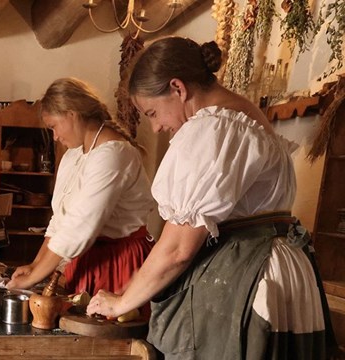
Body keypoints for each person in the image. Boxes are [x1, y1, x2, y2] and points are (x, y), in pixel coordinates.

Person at [86, 37, 333, 359]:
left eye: (153, 112)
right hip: (280, 266)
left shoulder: (213, 128)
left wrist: (121, 301)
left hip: (248, 271)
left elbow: (177, 249)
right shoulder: (245, 117)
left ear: (178, 88)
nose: (157, 126)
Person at [6, 78, 155, 318]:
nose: (54, 137)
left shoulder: (114, 154)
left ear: (71, 114)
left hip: (119, 263)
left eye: (54, 126)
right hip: (87, 261)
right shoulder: (73, 156)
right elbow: (61, 222)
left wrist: (35, 278)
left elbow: (78, 228)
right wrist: (34, 266)